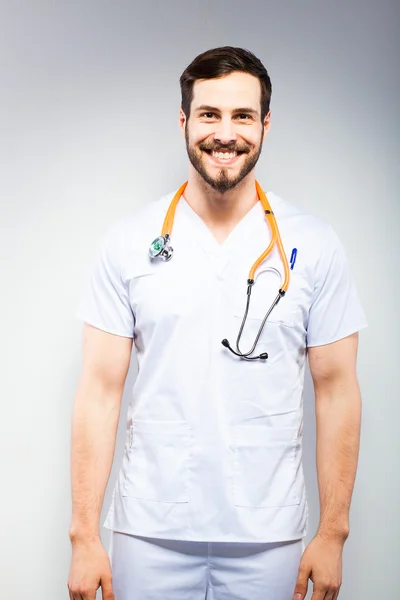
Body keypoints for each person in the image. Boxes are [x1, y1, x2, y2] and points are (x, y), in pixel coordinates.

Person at [68, 46, 368, 600]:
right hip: (151, 531)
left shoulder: (315, 245)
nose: (225, 133)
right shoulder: (131, 243)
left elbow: (337, 392)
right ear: (184, 121)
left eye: (242, 116)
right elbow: (99, 392)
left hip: (269, 535)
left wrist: (334, 532)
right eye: (209, 114)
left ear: (265, 124)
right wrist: (84, 535)